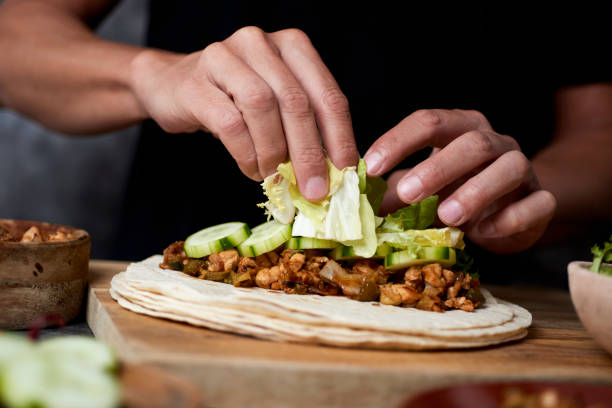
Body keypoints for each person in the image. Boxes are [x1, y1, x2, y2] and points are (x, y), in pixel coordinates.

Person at [0, 1, 610, 283]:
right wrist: (150, 74)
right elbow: (13, 35)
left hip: (476, 285)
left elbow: (600, 134)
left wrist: (522, 188)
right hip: (184, 277)